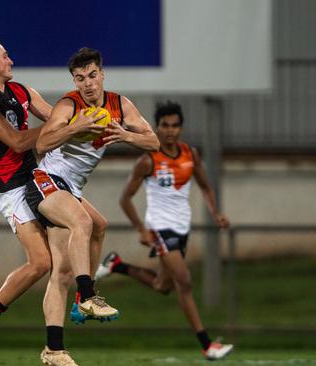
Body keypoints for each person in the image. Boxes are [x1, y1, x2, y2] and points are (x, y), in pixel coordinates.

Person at [26, 47, 159, 360]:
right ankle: (86, 295)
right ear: (75, 81)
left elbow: (153, 142)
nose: (87, 83)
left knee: (95, 230)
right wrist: (76, 127)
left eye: (92, 75)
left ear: (102, 74)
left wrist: (125, 135)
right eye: (80, 78)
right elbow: (42, 143)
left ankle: (56, 344)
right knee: (83, 223)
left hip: (70, 189)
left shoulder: (119, 105)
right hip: (45, 182)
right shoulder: (69, 105)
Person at [0, 34, 81, 365]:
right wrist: (67, 131)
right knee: (42, 263)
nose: (10, 60)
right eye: (5, 56)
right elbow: (16, 143)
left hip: (37, 178)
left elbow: (57, 118)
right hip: (12, 188)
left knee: (78, 237)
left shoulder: (22, 91)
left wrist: (89, 121)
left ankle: (63, 333)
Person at [95, 101, 234, 360]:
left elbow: (205, 186)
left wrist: (215, 212)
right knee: (185, 281)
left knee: (163, 285)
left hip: (181, 229)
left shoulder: (190, 154)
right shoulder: (148, 160)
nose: (170, 131)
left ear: (180, 127)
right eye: (165, 125)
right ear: (156, 127)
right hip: (160, 228)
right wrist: (141, 229)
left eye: (175, 125)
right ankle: (207, 345)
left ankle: (117, 265)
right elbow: (125, 199)